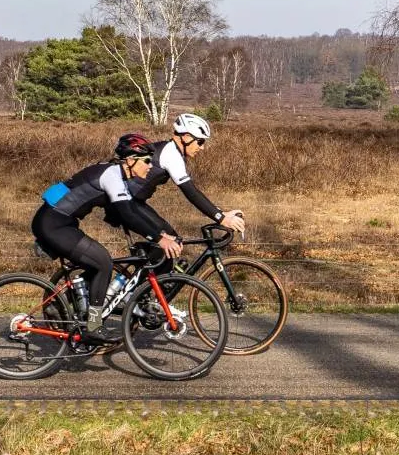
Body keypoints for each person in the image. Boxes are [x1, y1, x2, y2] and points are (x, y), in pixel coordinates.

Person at [31, 133, 183, 318]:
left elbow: (131, 213)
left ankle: (65, 301)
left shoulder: (116, 174)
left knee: (97, 263)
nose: (151, 166)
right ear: (130, 160)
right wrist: (159, 239)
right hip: (54, 225)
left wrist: (159, 234)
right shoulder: (112, 176)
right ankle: (93, 325)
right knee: (103, 263)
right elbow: (128, 215)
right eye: (147, 161)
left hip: (61, 223)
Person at [113, 112, 247, 238]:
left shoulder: (169, 149)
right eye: (200, 141)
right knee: (170, 242)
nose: (202, 147)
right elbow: (190, 192)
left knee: (169, 242)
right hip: (124, 203)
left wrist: (221, 213)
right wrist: (221, 218)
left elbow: (193, 192)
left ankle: (143, 260)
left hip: (131, 201)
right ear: (186, 137)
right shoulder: (171, 154)